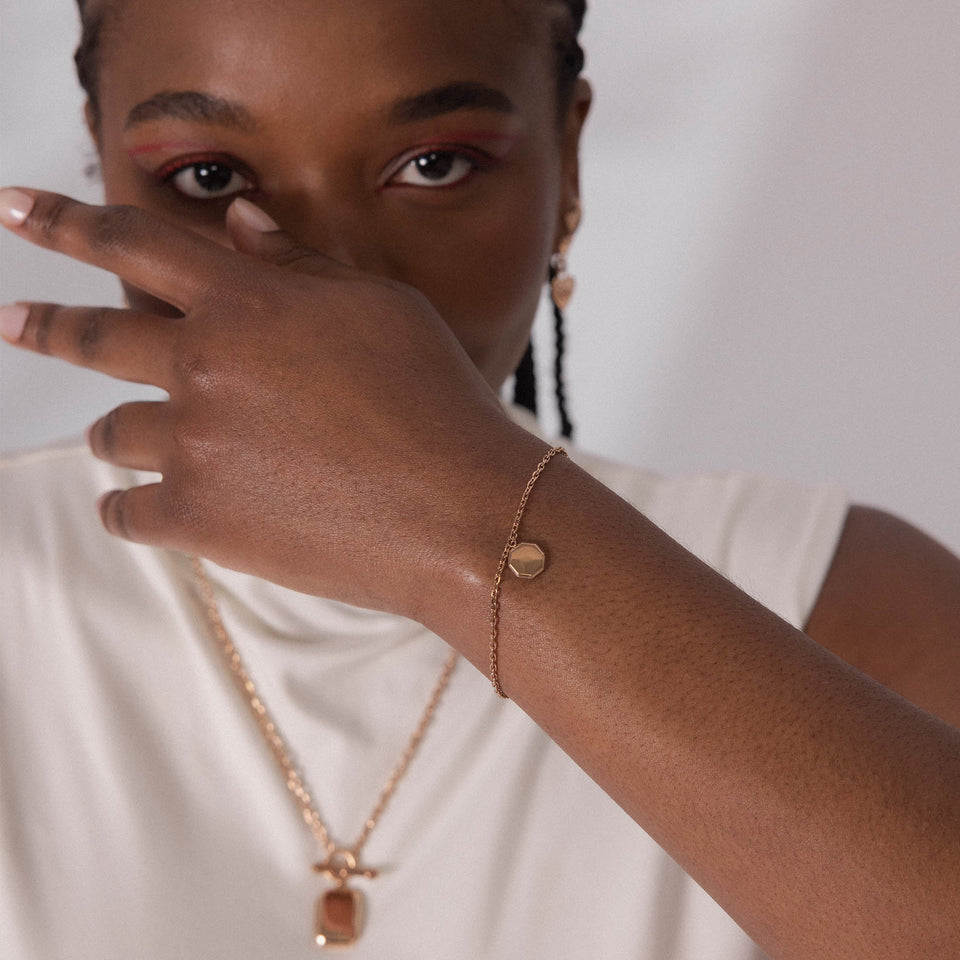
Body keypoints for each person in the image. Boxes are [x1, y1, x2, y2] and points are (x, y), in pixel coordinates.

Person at [1, 1, 958, 958]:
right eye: (208, 177)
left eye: (435, 164)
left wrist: (456, 513)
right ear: (102, 159)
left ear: (566, 158)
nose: (340, 289)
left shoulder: (829, 597)